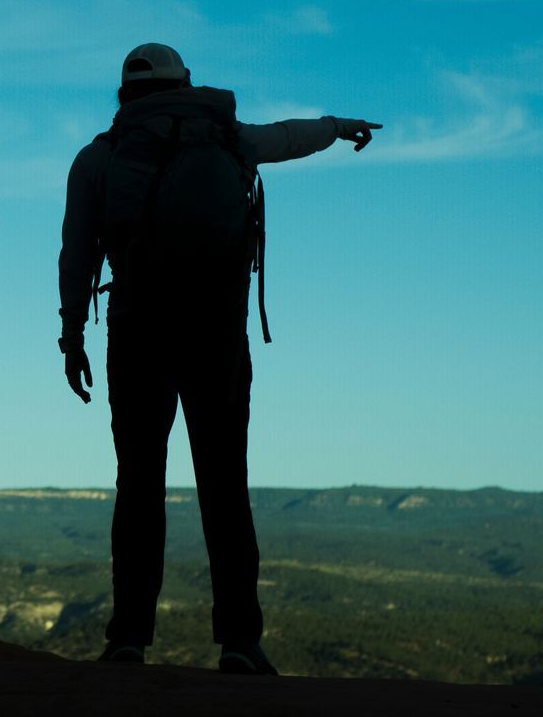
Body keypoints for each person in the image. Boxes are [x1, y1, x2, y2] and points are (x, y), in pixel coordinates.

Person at [58, 43, 380, 672]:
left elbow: (77, 254)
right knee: (225, 485)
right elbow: (291, 137)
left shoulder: (100, 156)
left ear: (124, 95)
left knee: (140, 485)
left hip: (137, 331)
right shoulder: (231, 139)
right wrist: (340, 128)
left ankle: (127, 638)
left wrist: (72, 335)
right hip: (216, 332)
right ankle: (239, 641)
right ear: (188, 84)